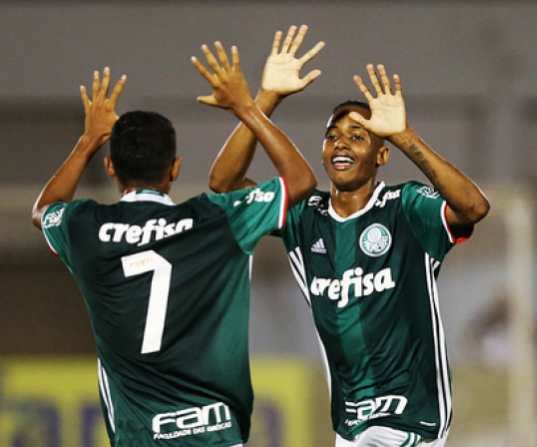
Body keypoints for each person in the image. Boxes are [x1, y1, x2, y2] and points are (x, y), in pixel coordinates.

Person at [208, 26, 490, 446]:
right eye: (332, 136)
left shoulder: (407, 207)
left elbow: (474, 207)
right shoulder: (304, 216)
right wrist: (263, 101)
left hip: (412, 419)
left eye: (357, 136)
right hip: (350, 424)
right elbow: (224, 185)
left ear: (381, 154)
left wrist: (404, 135)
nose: (341, 143)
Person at [31, 36, 317, 446]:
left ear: (110, 167)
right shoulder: (216, 219)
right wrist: (249, 106)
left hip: (140, 438)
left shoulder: (86, 228)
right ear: (176, 168)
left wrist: (88, 140)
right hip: (215, 433)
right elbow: (302, 180)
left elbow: (44, 210)